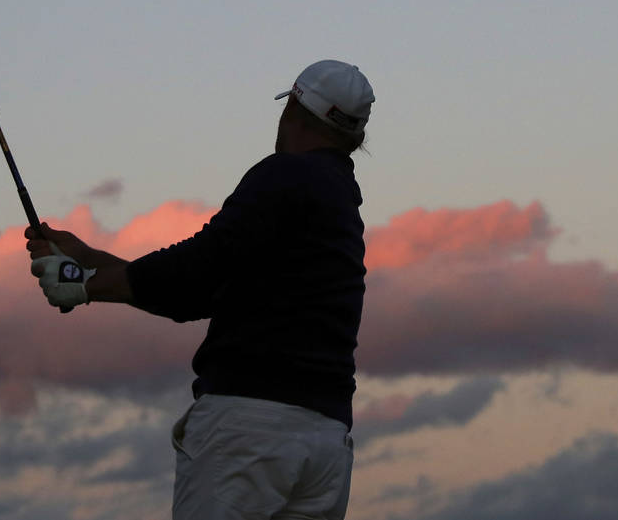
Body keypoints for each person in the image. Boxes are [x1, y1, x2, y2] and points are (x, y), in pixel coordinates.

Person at [27, 59, 374, 519]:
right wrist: (91, 261)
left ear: (293, 106)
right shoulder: (338, 204)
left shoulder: (284, 176)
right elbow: (200, 292)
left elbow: (198, 270)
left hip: (249, 432)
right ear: (354, 135)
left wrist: (82, 285)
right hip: (325, 442)